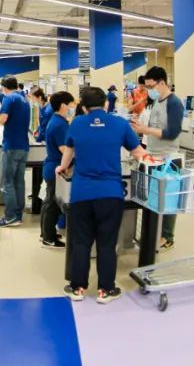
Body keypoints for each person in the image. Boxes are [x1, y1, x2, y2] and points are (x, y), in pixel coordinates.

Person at [56, 86, 148, 304]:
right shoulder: (119, 124)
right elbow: (138, 152)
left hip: (82, 193)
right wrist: (160, 163)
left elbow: (69, 152)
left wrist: (62, 167)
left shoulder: (76, 124)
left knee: (81, 242)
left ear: (84, 107)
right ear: (106, 103)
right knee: (107, 243)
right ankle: (105, 290)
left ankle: (77, 288)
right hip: (110, 193)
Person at [132, 66, 184, 251]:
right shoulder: (156, 101)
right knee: (153, 196)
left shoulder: (174, 103)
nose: (149, 90)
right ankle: (153, 232)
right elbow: (155, 126)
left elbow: (172, 132)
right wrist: (140, 127)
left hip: (168, 157)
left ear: (162, 83)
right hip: (153, 155)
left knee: (168, 198)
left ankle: (167, 236)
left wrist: (145, 130)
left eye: (151, 86)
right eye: (147, 87)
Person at [0, 76, 31, 227]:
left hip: (11, 146)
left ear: (4, 87)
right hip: (23, 146)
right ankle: (18, 215)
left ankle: (10, 216)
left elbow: (3, 119)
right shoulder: (25, 100)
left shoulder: (9, 98)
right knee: (19, 182)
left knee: (6, 182)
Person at [40, 91, 74, 249]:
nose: (72, 107)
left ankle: (46, 233)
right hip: (56, 168)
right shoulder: (60, 125)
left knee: (49, 202)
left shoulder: (56, 121)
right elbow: (65, 150)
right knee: (53, 204)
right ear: (63, 105)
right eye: (71, 104)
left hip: (52, 165)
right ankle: (49, 237)